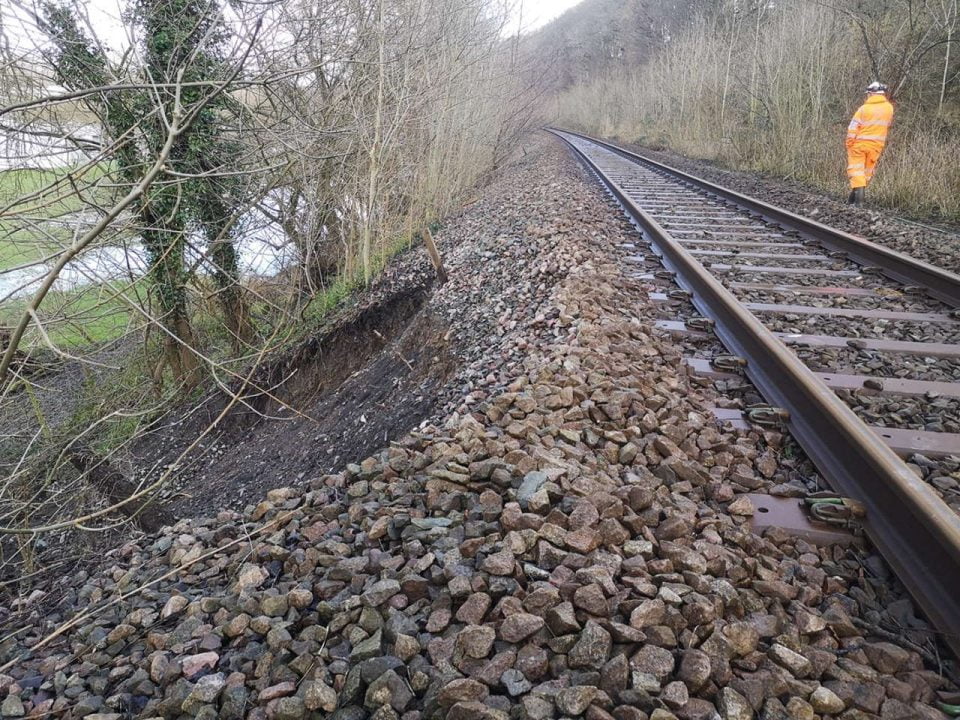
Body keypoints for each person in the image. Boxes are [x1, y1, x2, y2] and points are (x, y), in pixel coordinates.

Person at [845, 81, 894, 205]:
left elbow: (853, 127)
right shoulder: (889, 108)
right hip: (876, 147)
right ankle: (851, 202)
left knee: (856, 173)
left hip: (859, 145)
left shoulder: (863, 109)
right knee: (865, 174)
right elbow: (886, 126)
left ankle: (858, 204)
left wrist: (849, 143)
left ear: (871, 94)